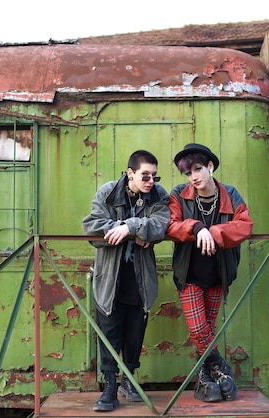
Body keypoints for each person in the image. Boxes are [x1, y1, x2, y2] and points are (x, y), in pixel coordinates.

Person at [82, 150, 170, 412]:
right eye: (145, 175)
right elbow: (92, 228)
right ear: (130, 173)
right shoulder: (108, 192)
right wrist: (130, 227)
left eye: (154, 175)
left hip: (140, 278)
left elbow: (162, 224)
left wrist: (130, 227)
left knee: (135, 331)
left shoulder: (158, 194)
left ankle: (128, 380)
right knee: (109, 331)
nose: (151, 180)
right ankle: (110, 386)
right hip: (110, 276)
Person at [165, 143, 253, 403]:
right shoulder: (180, 194)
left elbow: (245, 226)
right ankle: (220, 367)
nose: (194, 176)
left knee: (208, 331)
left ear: (210, 167)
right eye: (188, 172)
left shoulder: (231, 195)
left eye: (198, 169)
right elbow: (170, 226)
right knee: (198, 331)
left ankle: (206, 379)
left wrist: (213, 232)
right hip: (189, 275)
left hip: (218, 276)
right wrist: (196, 227)